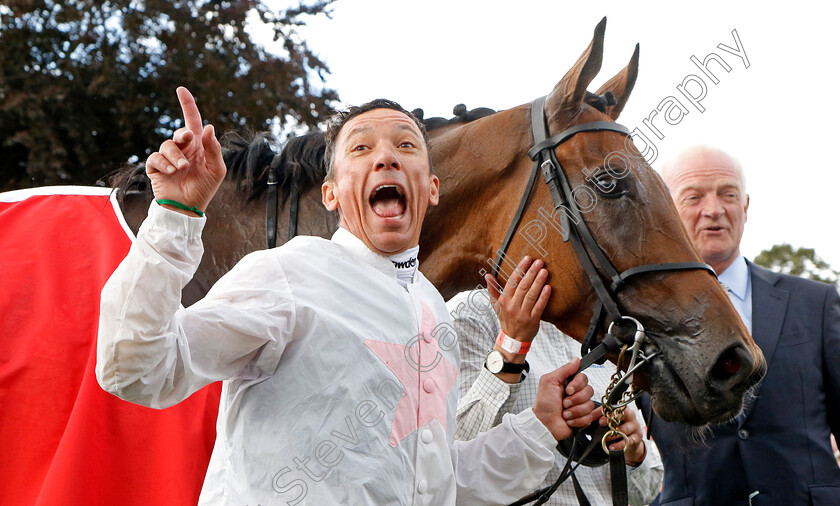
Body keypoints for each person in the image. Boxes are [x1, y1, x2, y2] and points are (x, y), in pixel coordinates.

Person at [95, 87, 600, 505]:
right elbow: (138, 370)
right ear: (331, 194)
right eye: (361, 148)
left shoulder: (434, 314)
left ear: (432, 188)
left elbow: (438, 483)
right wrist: (175, 216)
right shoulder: (288, 274)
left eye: (406, 146)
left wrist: (541, 427)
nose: (385, 156)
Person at [643, 145, 840, 505]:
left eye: (728, 194)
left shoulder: (817, 303)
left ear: (746, 207)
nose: (714, 209)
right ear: (666, 211)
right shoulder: (639, 320)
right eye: (694, 196)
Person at [449, 286, 664, 506]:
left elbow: (646, 491)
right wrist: (510, 349)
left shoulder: (604, 323)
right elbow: (450, 471)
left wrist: (632, 451)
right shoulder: (472, 311)